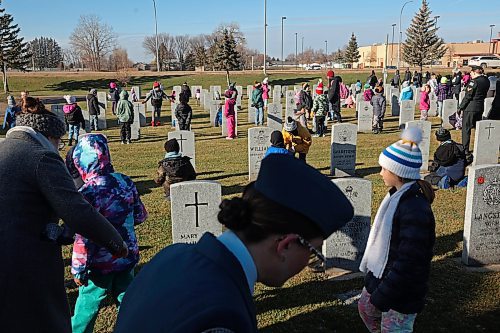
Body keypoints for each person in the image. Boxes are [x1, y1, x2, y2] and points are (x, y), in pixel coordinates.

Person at [115, 154, 354, 333]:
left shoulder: (173, 253)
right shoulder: (222, 314)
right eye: (313, 253)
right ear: (287, 245)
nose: (308, 263)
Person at [0, 98, 128, 333]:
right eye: (58, 141)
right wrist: (116, 242)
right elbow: (77, 211)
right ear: (47, 135)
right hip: (27, 257)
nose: (58, 147)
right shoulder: (41, 156)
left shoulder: (4, 149)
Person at [358, 127, 435, 333]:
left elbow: (410, 259)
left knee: (394, 329)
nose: (380, 173)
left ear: (398, 173)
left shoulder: (414, 209)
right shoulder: (395, 196)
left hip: (403, 289)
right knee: (366, 308)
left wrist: (385, 293)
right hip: (384, 276)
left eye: (384, 169)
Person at [69, 134, 148, 333]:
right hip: (126, 255)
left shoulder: (87, 192)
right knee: (129, 301)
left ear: (80, 162)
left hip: (98, 263)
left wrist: (78, 268)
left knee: (87, 307)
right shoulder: (125, 182)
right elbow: (140, 215)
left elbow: (83, 236)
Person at [458, 65, 490, 162]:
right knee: (478, 129)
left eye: (471, 72)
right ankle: (479, 148)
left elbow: (468, 95)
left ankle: (465, 149)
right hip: (480, 106)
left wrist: (461, 107)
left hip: (470, 107)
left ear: (475, 72)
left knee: (466, 129)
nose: (470, 74)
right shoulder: (486, 80)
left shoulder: (474, 82)